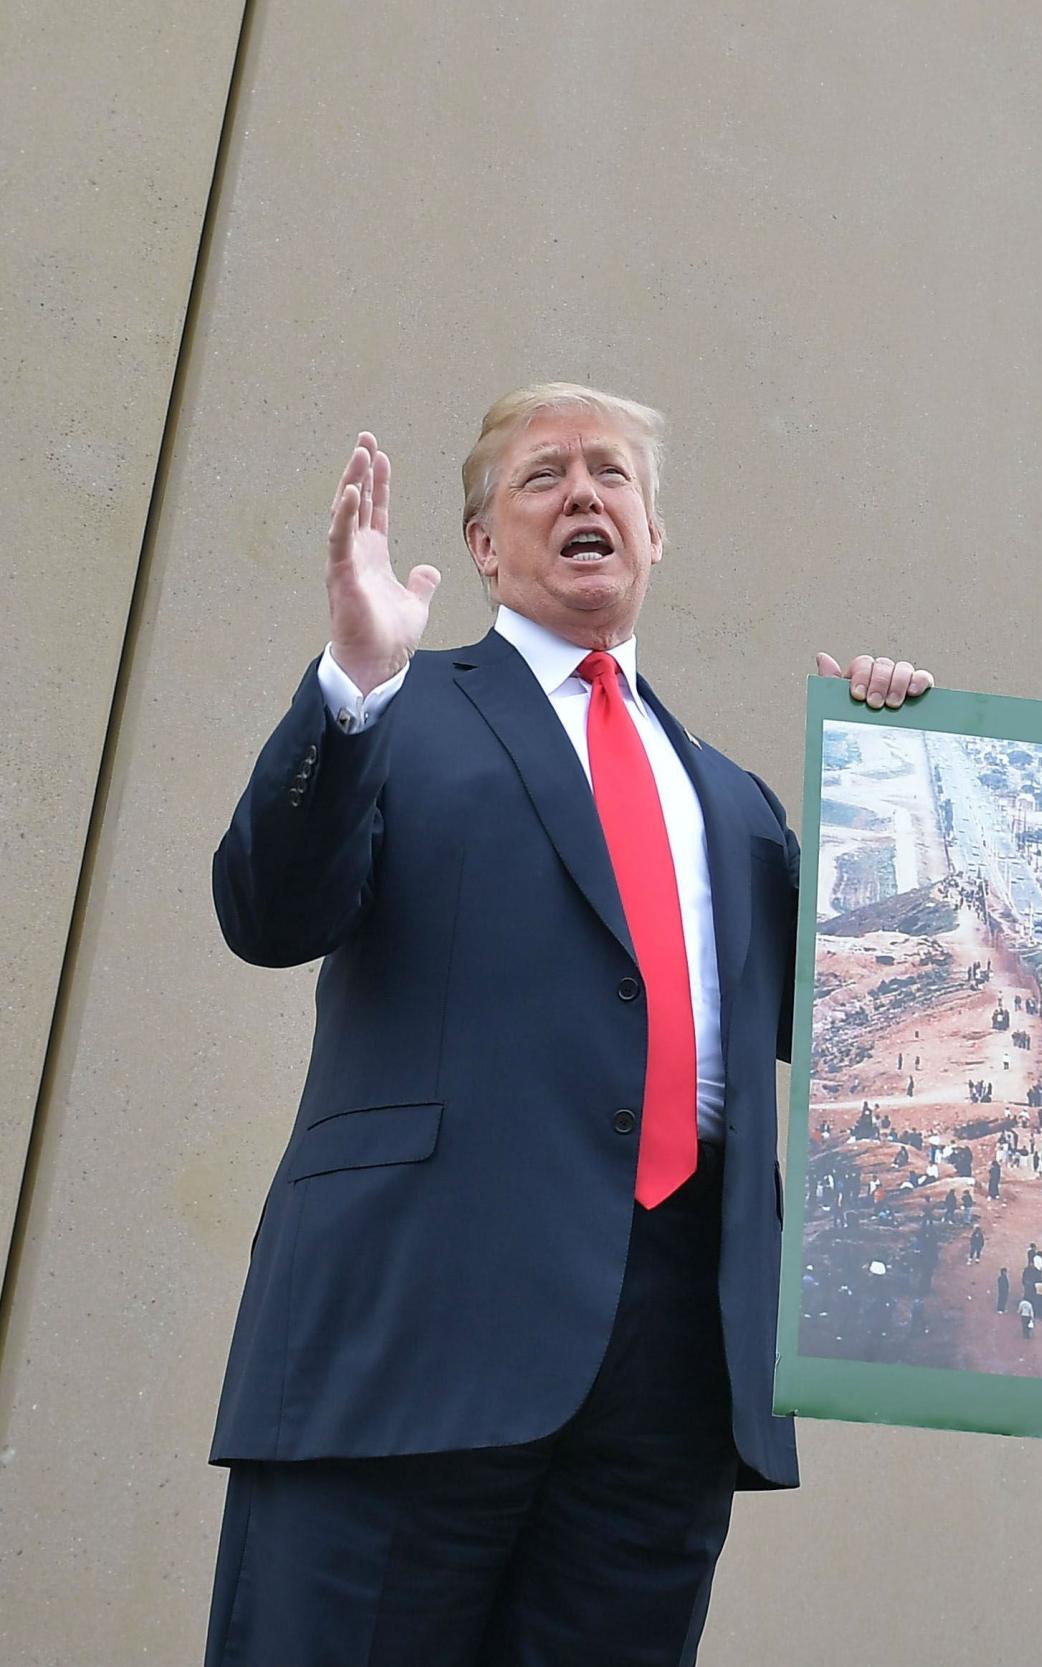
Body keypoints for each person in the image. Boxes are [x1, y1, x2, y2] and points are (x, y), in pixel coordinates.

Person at [203, 385, 934, 1666]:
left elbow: (863, 1019)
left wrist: (906, 771)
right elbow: (270, 911)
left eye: (613, 475)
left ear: (655, 534)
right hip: (413, 1328)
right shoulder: (399, 711)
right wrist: (354, 681)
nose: (584, 492)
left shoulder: (734, 799)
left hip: (670, 1372)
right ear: (484, 547)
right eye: (543, 476)